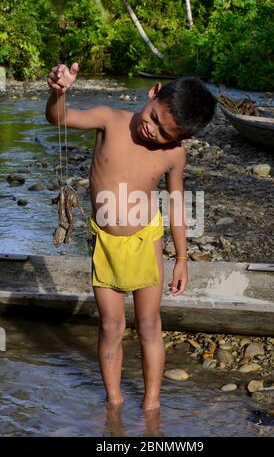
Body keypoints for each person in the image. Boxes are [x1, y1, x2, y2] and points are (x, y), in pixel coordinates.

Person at [46, 63, 215, 411]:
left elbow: (177, 204)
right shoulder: (110, 119)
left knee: (150, 324)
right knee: (110, 325)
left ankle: (151, 405)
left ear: (181, 139)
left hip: (145, 240)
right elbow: (59, 119)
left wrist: (182, 257)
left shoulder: (173, 154)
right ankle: (114, 403)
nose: (152, 130)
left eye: (165, 132)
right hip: (105, 243)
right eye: (153, 118)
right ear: (153, 93)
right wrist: (58, 93)